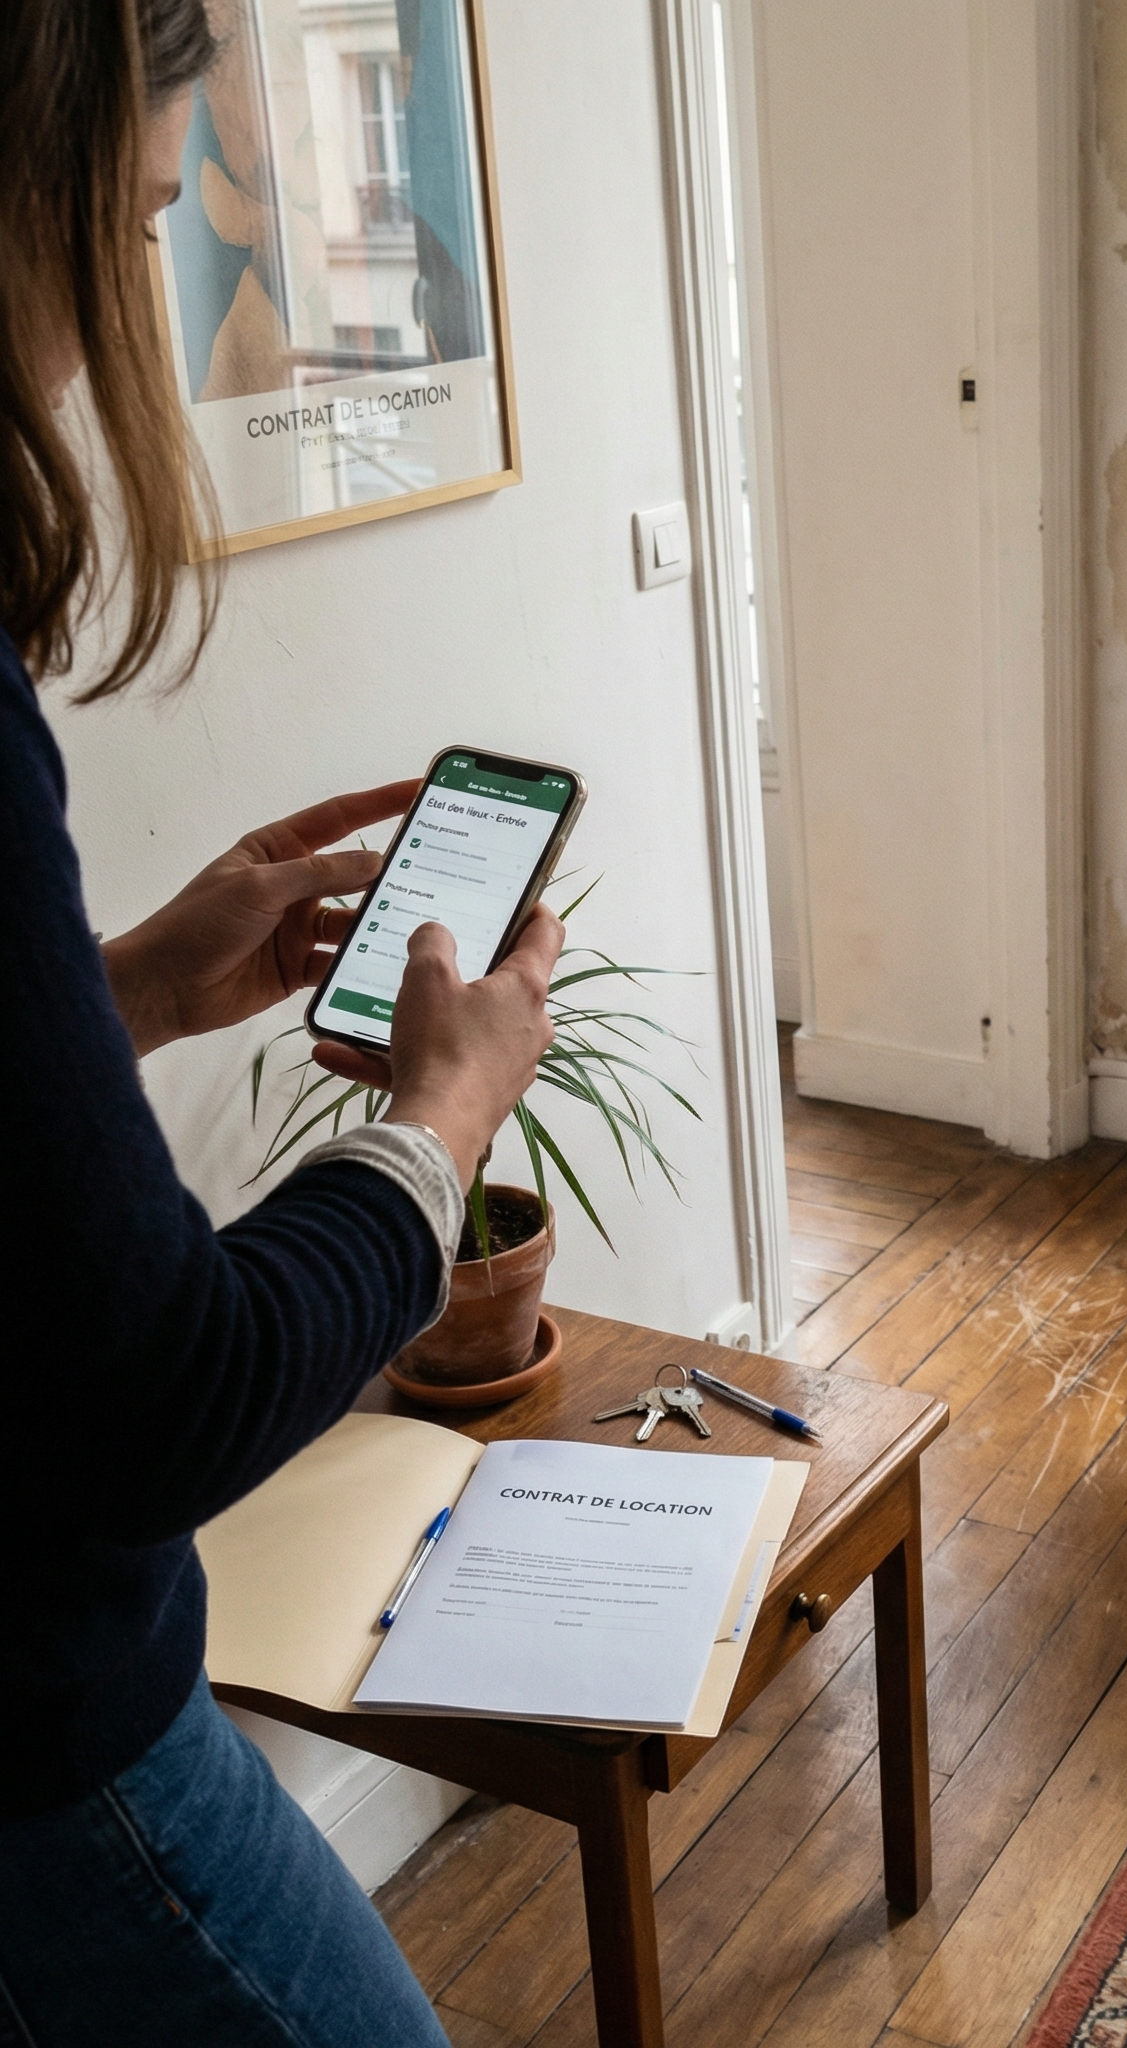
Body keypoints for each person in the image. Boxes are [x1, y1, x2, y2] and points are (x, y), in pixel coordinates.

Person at [0, 5, 561, 2041]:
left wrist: (132, 985)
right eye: (138, 216)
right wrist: (439, 1124)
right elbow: (162, 1396)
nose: (117, 324)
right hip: (42, 1739)